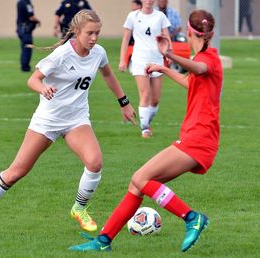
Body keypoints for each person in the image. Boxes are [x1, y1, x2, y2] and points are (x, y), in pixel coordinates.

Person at [0, 10, 137, 233]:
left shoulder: (98, 53)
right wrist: (44, 88)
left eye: (97, 33)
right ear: (77, 32)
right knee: (17, 171)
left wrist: (124, 102)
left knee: (95, 162)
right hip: (48, 120)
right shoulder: (61, 55)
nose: (94, 38)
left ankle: (79, 208)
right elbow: (32, 79)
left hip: (77, 119)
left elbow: (109, 75)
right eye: (90, 33)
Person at [69, 9, 223, 252]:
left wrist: (169, 53)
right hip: (196, 137)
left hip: (199, 138)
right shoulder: (203, 58)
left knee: (141, 177)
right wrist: (165, 68)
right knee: (137, 185)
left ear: (191, 32)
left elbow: (200, 69)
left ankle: (192, 218)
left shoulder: (209, 59)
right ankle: (103, 241)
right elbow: (191, 81)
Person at [119, 0, 171, 139]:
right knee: (145, 94)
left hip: (157, 60)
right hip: (139, 60)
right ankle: (145, 129)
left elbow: (167, 37)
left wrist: (169, 54)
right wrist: (122, 60)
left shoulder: (160, 16)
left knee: (155, 99)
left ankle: (147, 122)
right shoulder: (132, 16)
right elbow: (125, 39)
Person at [16, 0, 41, 72]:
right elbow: (31, 17)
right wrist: (38, 21)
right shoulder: (27, 4)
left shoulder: (20, 2)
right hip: (26, 30)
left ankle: (24, 66)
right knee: (27, 48)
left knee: (24, 48)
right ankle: (25, 67)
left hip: (20, 29)